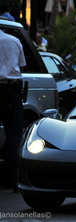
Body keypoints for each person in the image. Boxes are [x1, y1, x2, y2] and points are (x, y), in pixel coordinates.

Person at [0, 29, 26, 192]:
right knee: (14, 136)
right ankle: (12, 179)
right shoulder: (14, 40)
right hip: (11, 91)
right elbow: (21, 66)